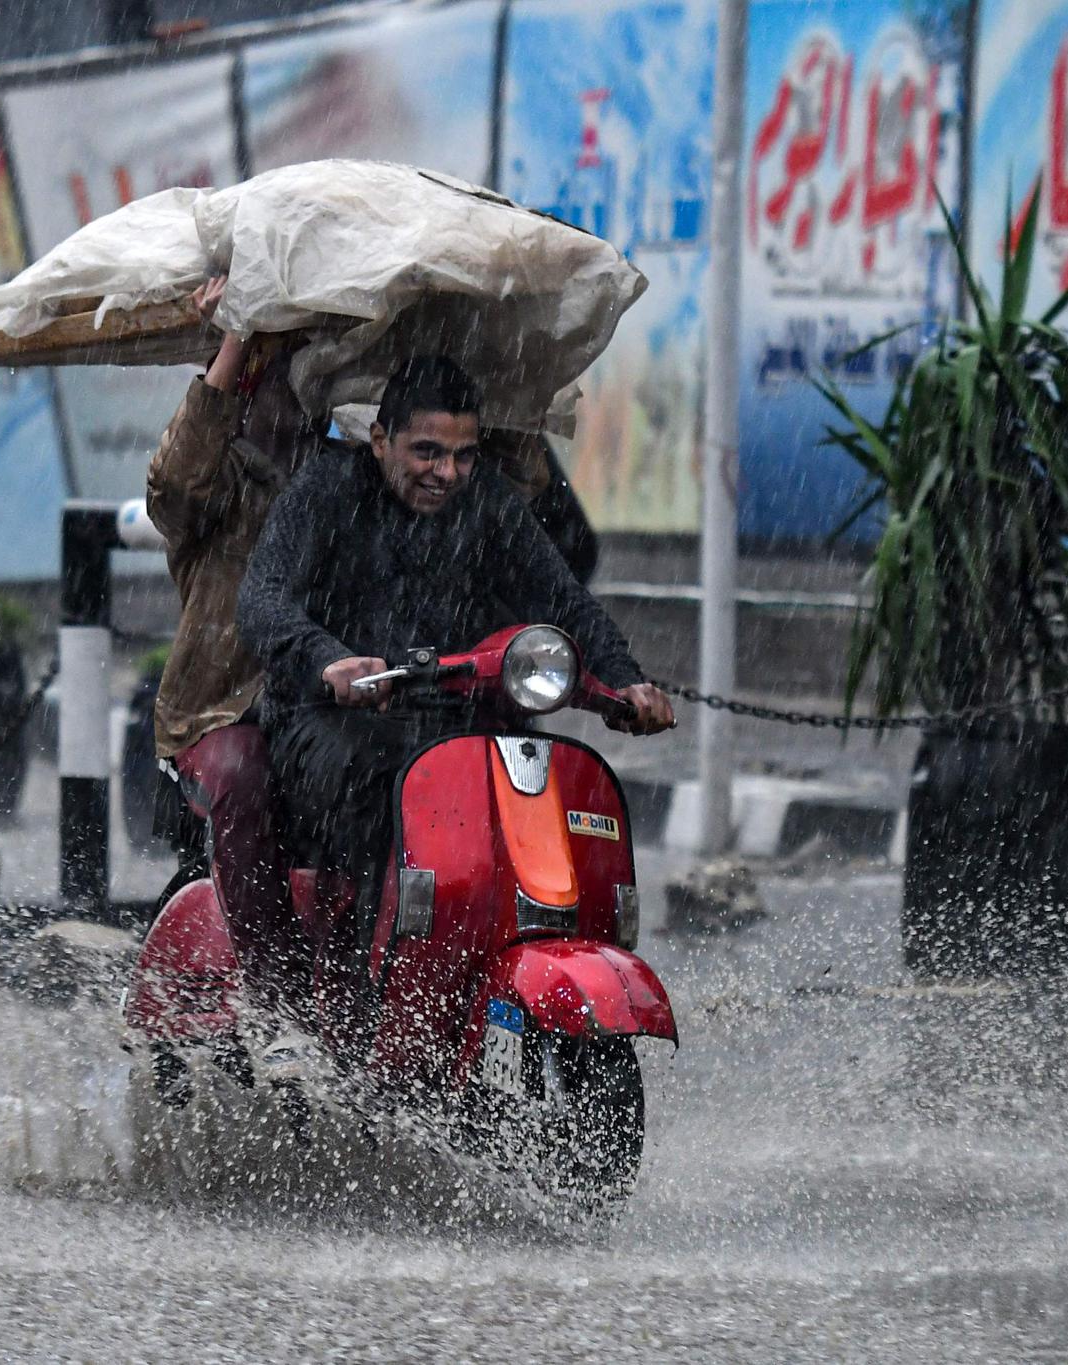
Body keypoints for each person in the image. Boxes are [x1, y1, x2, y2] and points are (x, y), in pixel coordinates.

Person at [237, 355, 673, 882]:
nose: (445, 474)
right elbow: (261, 599)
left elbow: (565, 600)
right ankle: (369, 960)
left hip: (460, 724)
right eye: (426, 452)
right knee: (389, 791)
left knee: (545, 792)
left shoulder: (487, 502)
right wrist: (329, 663)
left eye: (462, 456)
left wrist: (626, 680)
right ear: (379, 440)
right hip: (326, 723)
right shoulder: (326, 491)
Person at [145, 277, 330, 1030]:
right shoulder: (220, 486)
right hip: (220, 710)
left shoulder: (356, 474)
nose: (297, 389)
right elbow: (171, 489)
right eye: (282, 366)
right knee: (246, 774)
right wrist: (236, 339)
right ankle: (276, 1002)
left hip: (332, 707)